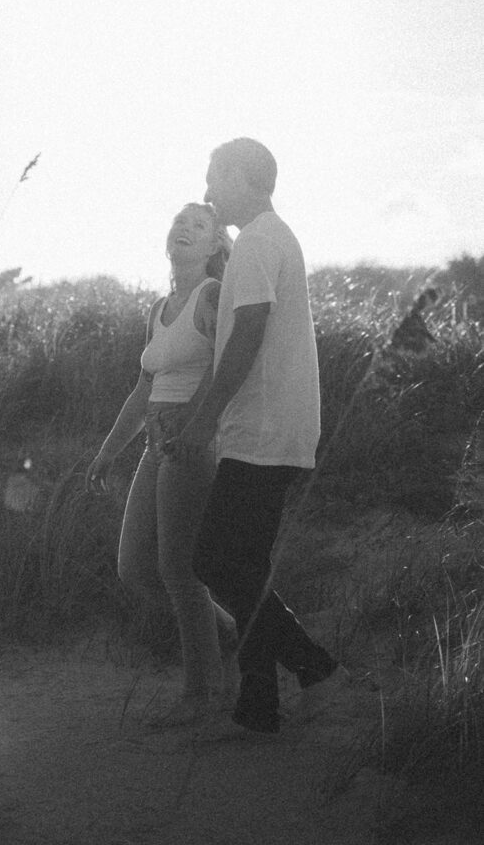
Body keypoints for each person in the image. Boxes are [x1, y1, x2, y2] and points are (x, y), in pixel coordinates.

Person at [166, 138, 345, 737]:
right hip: (275, 428)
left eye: (215, 178)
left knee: (214, 561)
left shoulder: (257, 243)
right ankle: (258, 708)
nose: (208, 191)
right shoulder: (273, 237)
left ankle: (316, 669)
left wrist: (204, 419)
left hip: (263, 433)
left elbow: (247, 333)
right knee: (245, 567)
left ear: (243, 177)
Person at [86, 203, 237, 724]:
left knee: (177, 569)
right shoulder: (157, 309)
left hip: (191, 439)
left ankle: (202, 694)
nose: (184, 229)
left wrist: (196, 425)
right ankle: (229, 634)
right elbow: (142, 389)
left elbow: (224, 367)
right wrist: (108, 451)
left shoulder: (212, 295)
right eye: (179, 221)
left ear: (215, 245)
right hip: (155, 438)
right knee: (134, 568)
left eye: (198, 225)